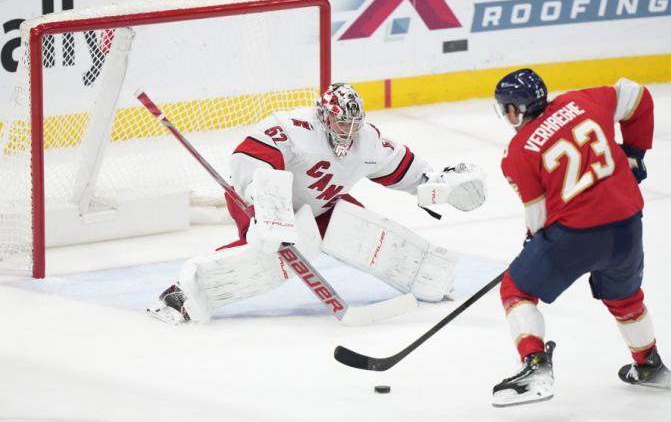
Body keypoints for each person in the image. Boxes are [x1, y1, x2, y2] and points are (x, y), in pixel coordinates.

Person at [148, 82, 486, 324]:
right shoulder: (294, 127)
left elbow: (402, 168)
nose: (349, 130)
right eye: (342, 122)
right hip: (263, 199)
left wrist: (436, 184)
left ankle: (429, 276)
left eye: (354, 123)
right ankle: (182, 293)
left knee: (360, 231)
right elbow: (248, 158)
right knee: (275, 251)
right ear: (324, 116)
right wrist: (267, 206)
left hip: (321, 205)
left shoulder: (367, 140)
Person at [490, 69, 671, 407]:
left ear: (515, 110)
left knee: (516, 289)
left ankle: (534, 365)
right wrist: (634, 153)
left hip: (576, 236)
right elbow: (637, 95)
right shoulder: (584, 100)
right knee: (626, 298)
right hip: (628, 226)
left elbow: (539, 217)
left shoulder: (517, 152)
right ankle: (650, 365)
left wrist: (532, 241)